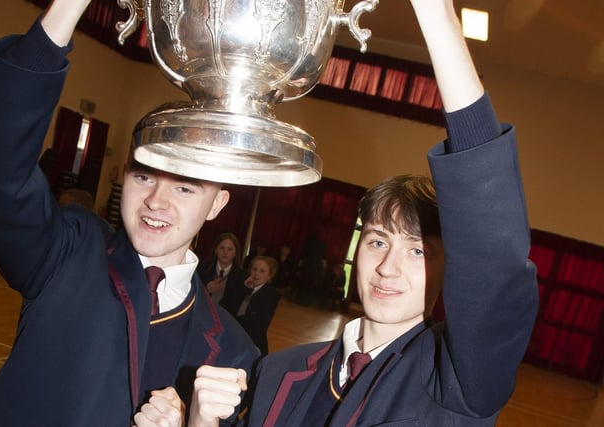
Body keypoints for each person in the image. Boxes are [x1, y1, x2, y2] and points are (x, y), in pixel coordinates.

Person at [190, 0, 539, 425]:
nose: (388, 268)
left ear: (453, 268)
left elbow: (493, 254)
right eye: (377, 241)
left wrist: (435, 14)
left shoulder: (455, 383)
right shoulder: (278, 372)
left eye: (419, 251)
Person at [0, 1, 259, 426]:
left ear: (217, 204)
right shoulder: (70, 250)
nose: (156, 201)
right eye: (143, 178)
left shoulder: (232, 351)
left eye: (184, 186)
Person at [224, 256, 280, 356]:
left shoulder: (271, 294)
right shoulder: (242, 286)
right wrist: (243, 288)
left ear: (270, 276)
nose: (256, 273)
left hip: (252, 341)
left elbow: (260, 324)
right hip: (231, 337)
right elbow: (228, 308)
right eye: (254, 269)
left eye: (262, 271)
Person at [197, 232, 249, 305]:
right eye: (222, 248)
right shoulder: (201, 268)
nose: (225, 252)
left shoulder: (243, 277)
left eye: (230, 249)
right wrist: (206, 289)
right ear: (216, 250)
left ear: (235, 253)